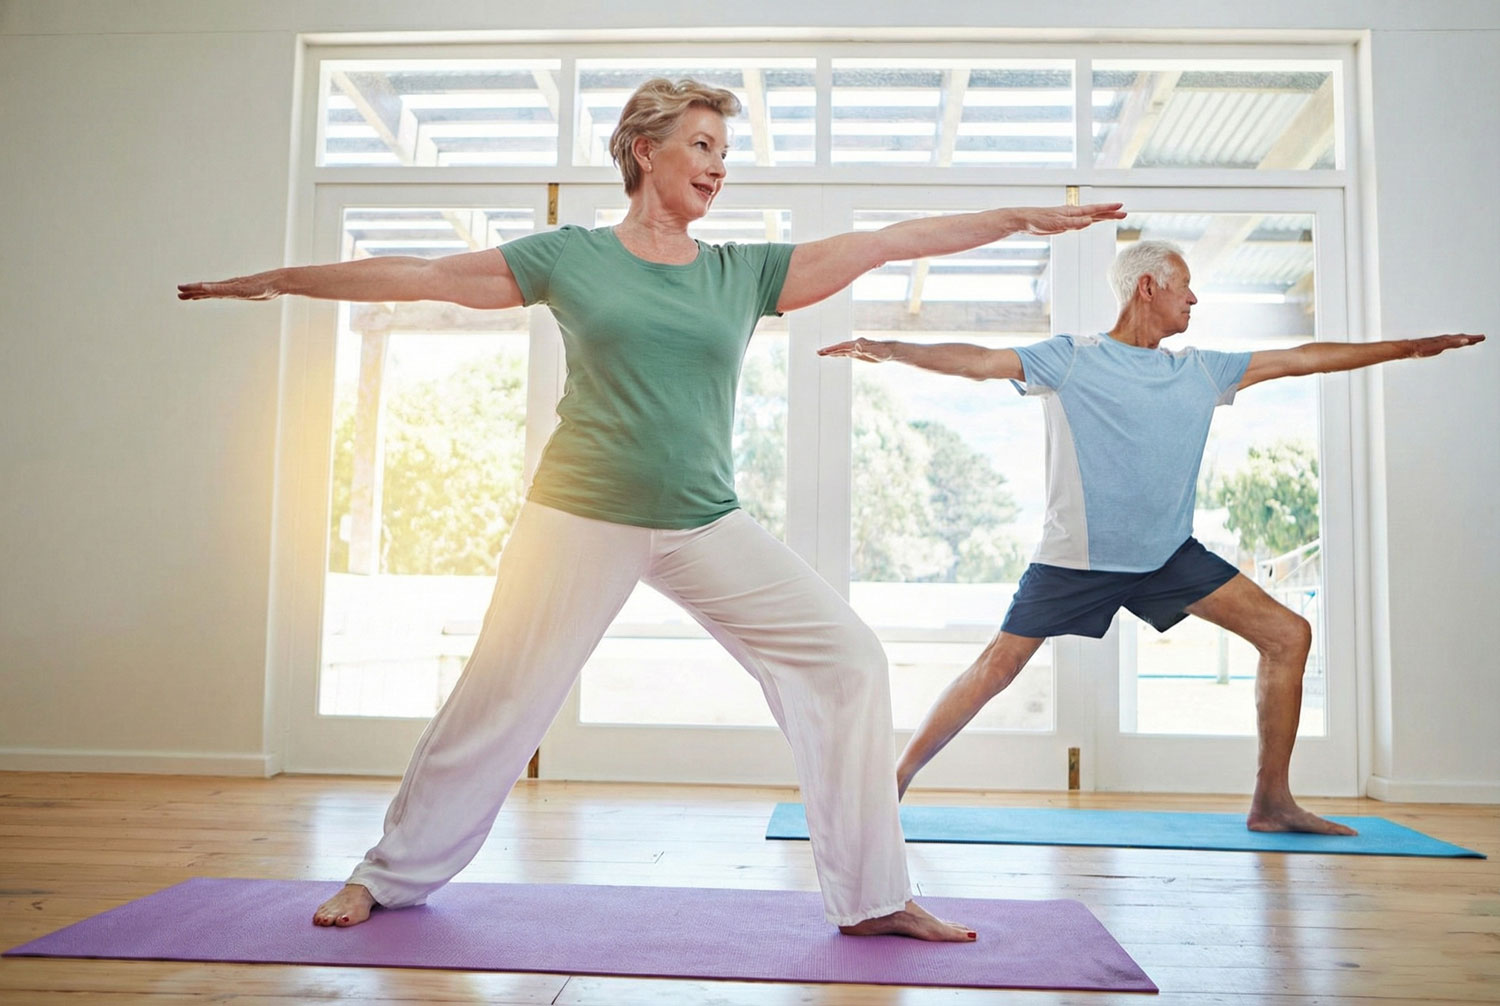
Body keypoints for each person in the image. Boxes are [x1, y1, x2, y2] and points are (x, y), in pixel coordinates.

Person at [179, 77, 1125, 939]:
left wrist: (1013, 217)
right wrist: (280, 279)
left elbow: (886, 242)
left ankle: (875, 897)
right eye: (704, 146)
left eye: (725, 152)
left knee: (845, 658)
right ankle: (387, 877)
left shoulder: (742, 274)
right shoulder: (573, 258)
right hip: (578, 516)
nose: (720, 168)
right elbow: (426, 275)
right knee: (500, 699)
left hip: (704, 520)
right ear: (645, 150)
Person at [819, 239, 1483, 835]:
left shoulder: (1200, 370)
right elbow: (982, 360)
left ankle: (1272, 801)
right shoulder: (1071, 359)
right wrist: (896, 347)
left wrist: (1406, 348)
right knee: (998, 666)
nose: (1193, 298)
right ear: (1147, 287)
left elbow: (1303, 357)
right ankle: (892, 782)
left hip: (1168, 556)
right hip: (1077, 560)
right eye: (1184, 286)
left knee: (1289, 635)